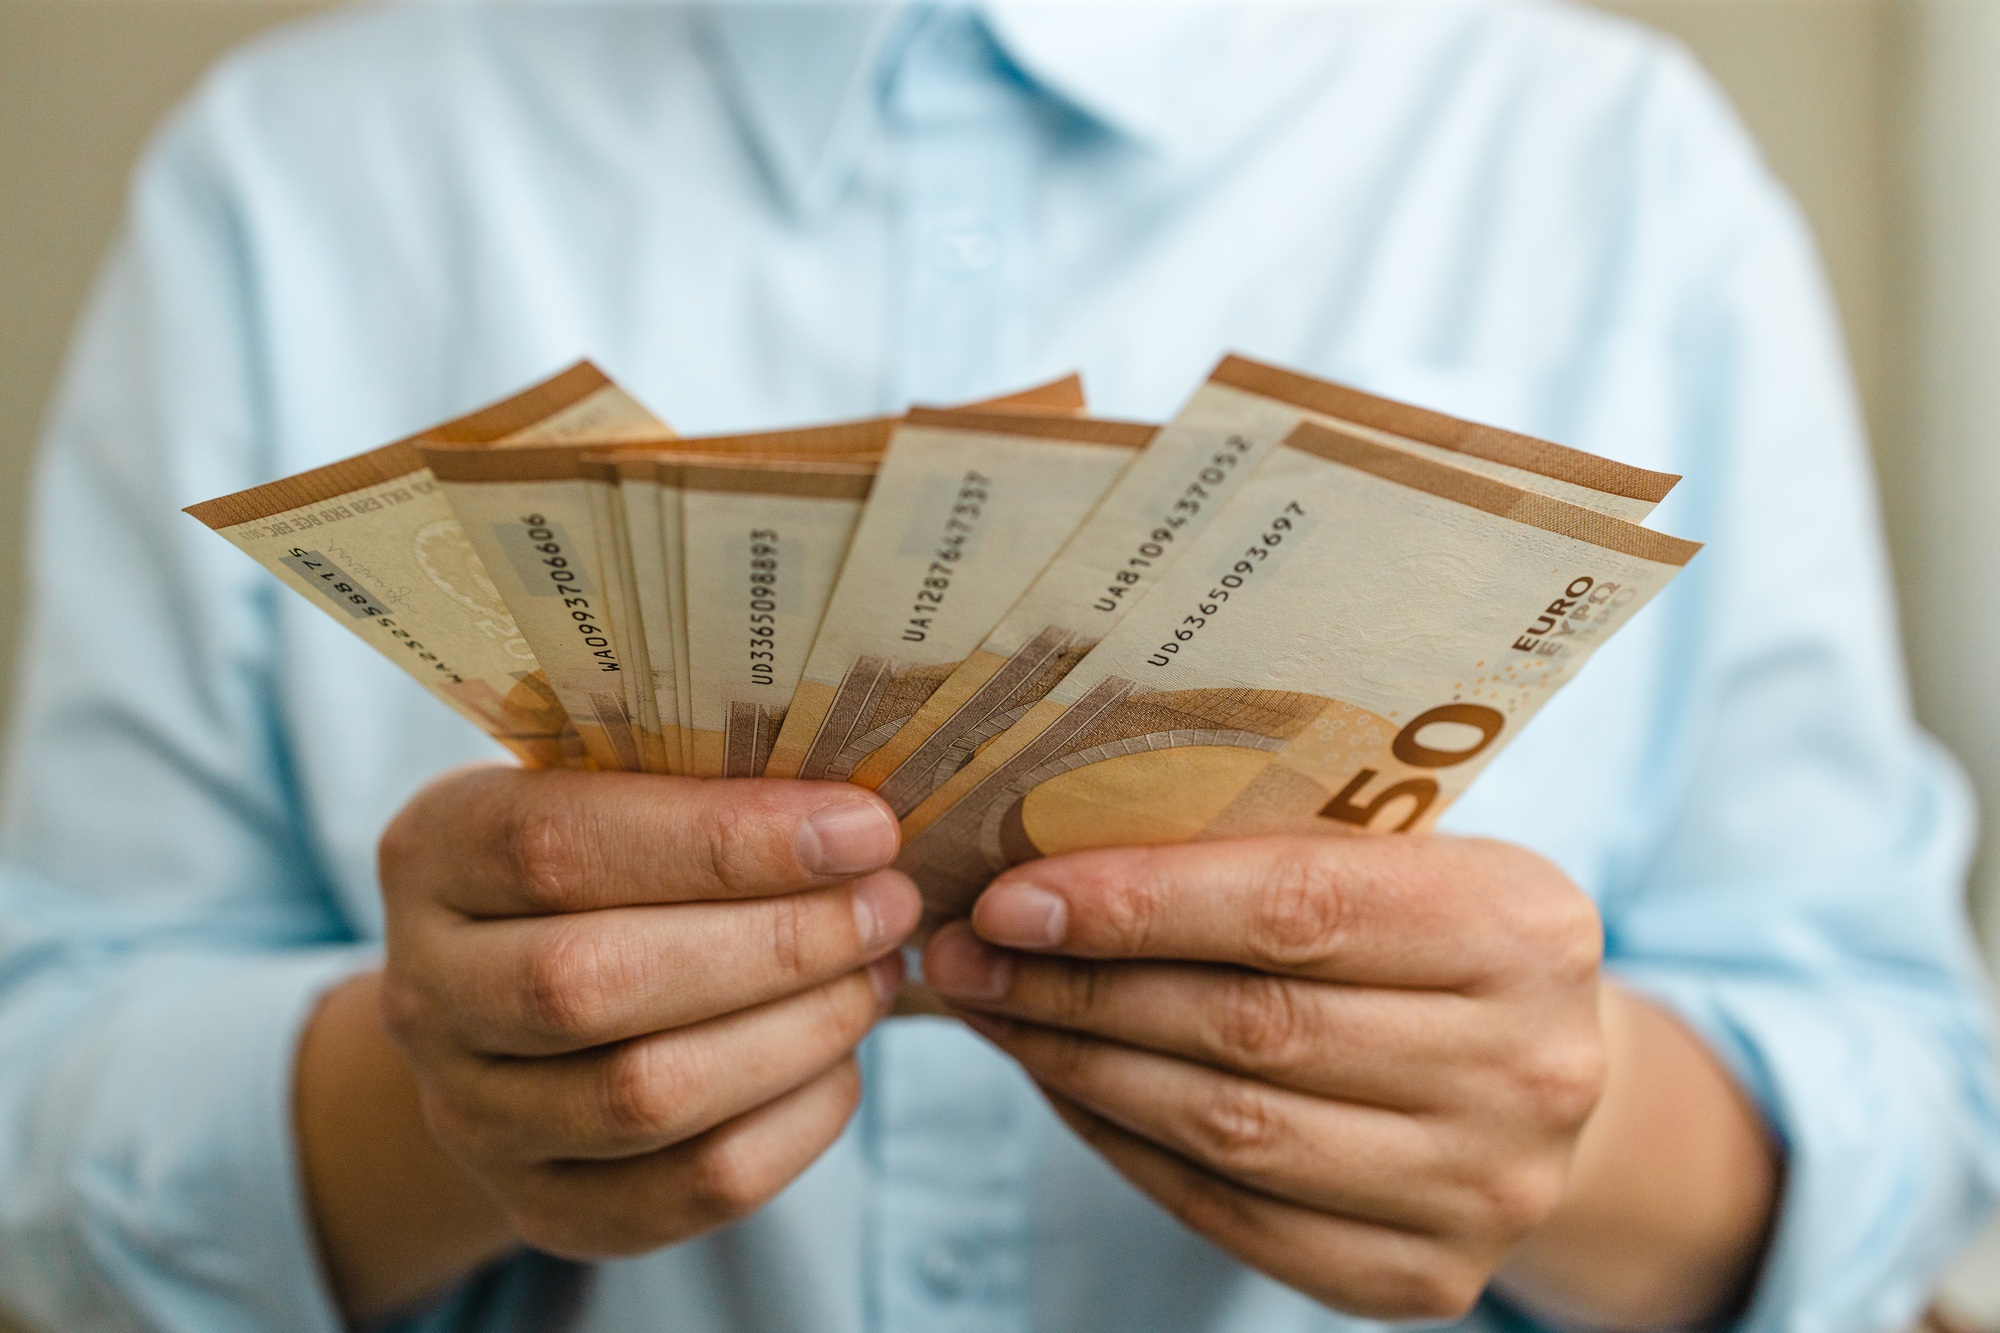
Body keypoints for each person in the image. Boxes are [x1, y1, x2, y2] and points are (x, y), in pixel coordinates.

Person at [2, 3, 1996, 1331]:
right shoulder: (292, 174)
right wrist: (430, 1100)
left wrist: (1580, 1124)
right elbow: (43, 1108)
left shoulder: (1603, 155)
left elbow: (1906, 1088)